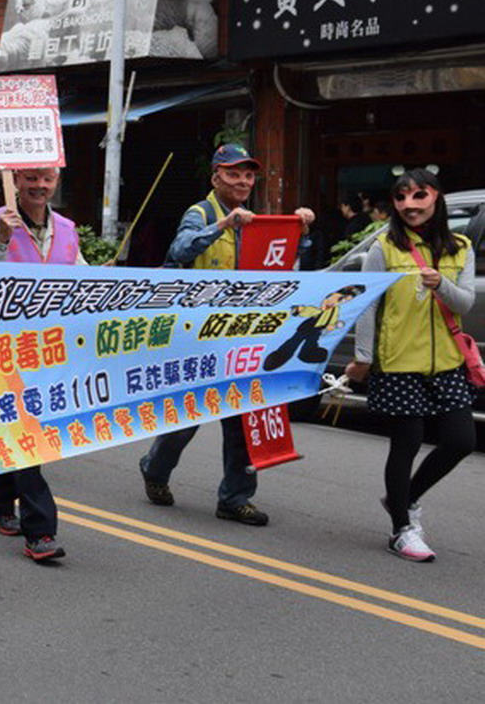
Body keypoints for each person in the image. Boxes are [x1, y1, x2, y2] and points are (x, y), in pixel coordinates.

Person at [141, 144, 315, 525]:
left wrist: (299, 232)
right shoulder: (200, 213)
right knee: (186, 418)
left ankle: (235, 498)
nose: (242, 181)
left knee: (241, 420)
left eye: (248, 175)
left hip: (241, 337)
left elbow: (283, 266)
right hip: (197, 336)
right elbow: (180, 249)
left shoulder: (255, 220)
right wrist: (223, 225)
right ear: (216, 177)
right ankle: (154, 469)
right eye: (234, 173)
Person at [345, 168, 476, 562]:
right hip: (399, 361)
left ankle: (404, 498)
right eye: (401, 198)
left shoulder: (461, 246)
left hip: (447, 362)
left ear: (436, 197)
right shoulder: (383, 248)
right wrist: (364, 358)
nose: (409, 205)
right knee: (406, 444)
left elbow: (465, 303)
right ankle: (402, 529)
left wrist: (441, 284)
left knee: (460, 441)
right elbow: (367, 305)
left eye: (419, 196)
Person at [0, 167, 84, 561]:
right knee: (27, 436)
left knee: (23, 430)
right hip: (1, 352)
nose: (40, 186)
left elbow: (83, 283)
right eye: (32, 178)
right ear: (15, 180)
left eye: (47, 179)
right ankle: (40, 531)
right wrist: (2, 238)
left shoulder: (68, 229)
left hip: (49, 353)